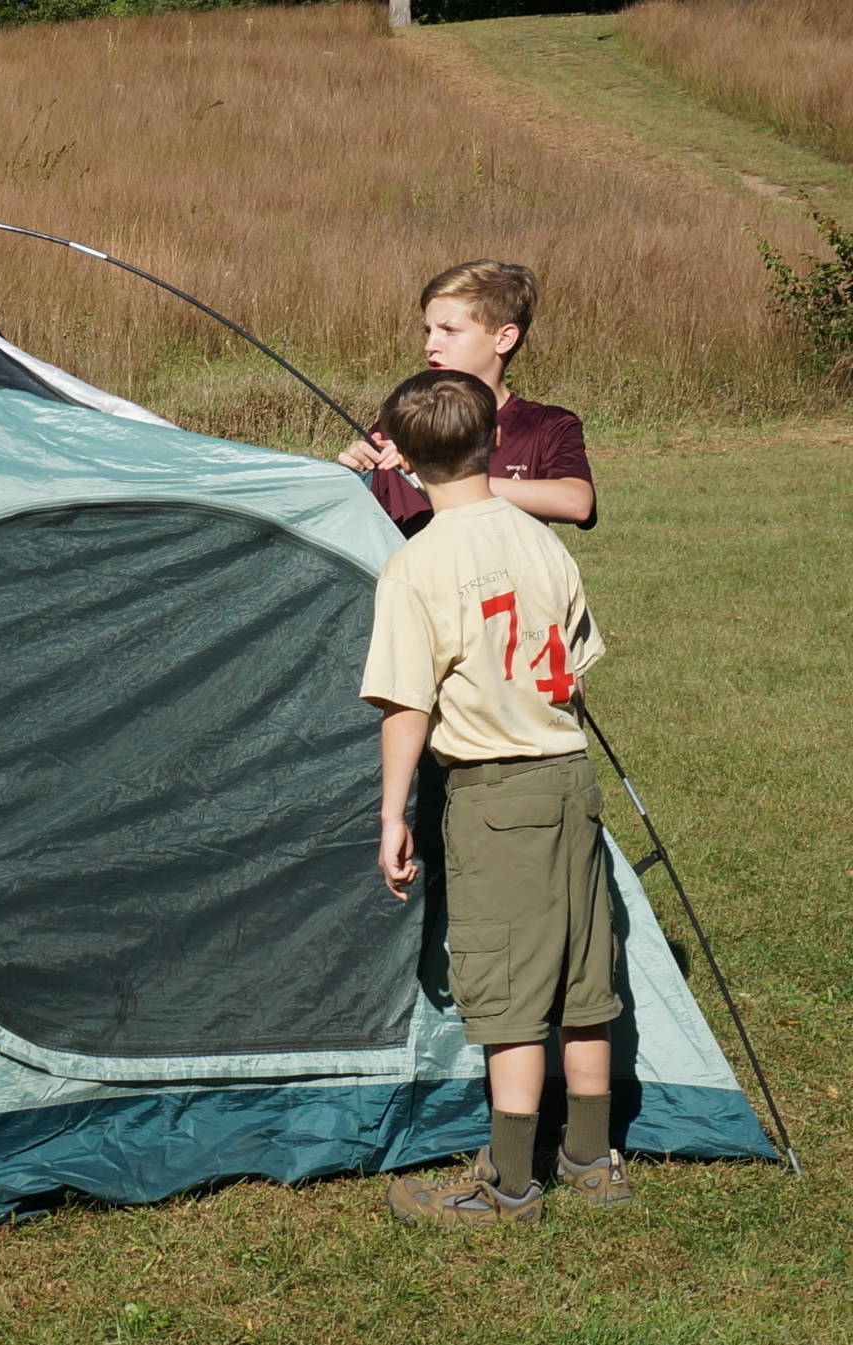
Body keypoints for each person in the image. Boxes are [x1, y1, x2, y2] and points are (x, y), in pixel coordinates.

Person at [360, 368, 629, 1225]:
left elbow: (408, 704)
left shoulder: (417, 563)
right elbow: (574, 665)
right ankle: (592, 1158)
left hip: (493, 794)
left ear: (399, 458)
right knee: (585, 976)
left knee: (511, 990)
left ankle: (509, 1184)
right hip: (569, 778)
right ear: (492, 443)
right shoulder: (539, 536)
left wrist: (392, 813)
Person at [339, 261, 597, 537]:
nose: (430, 345)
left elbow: (576, 503)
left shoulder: (545, 425)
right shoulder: (406, 418)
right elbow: (352, 528)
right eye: (428, 331)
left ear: (504, 338)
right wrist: (352, 477)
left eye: (449, 330)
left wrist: (444, 478)